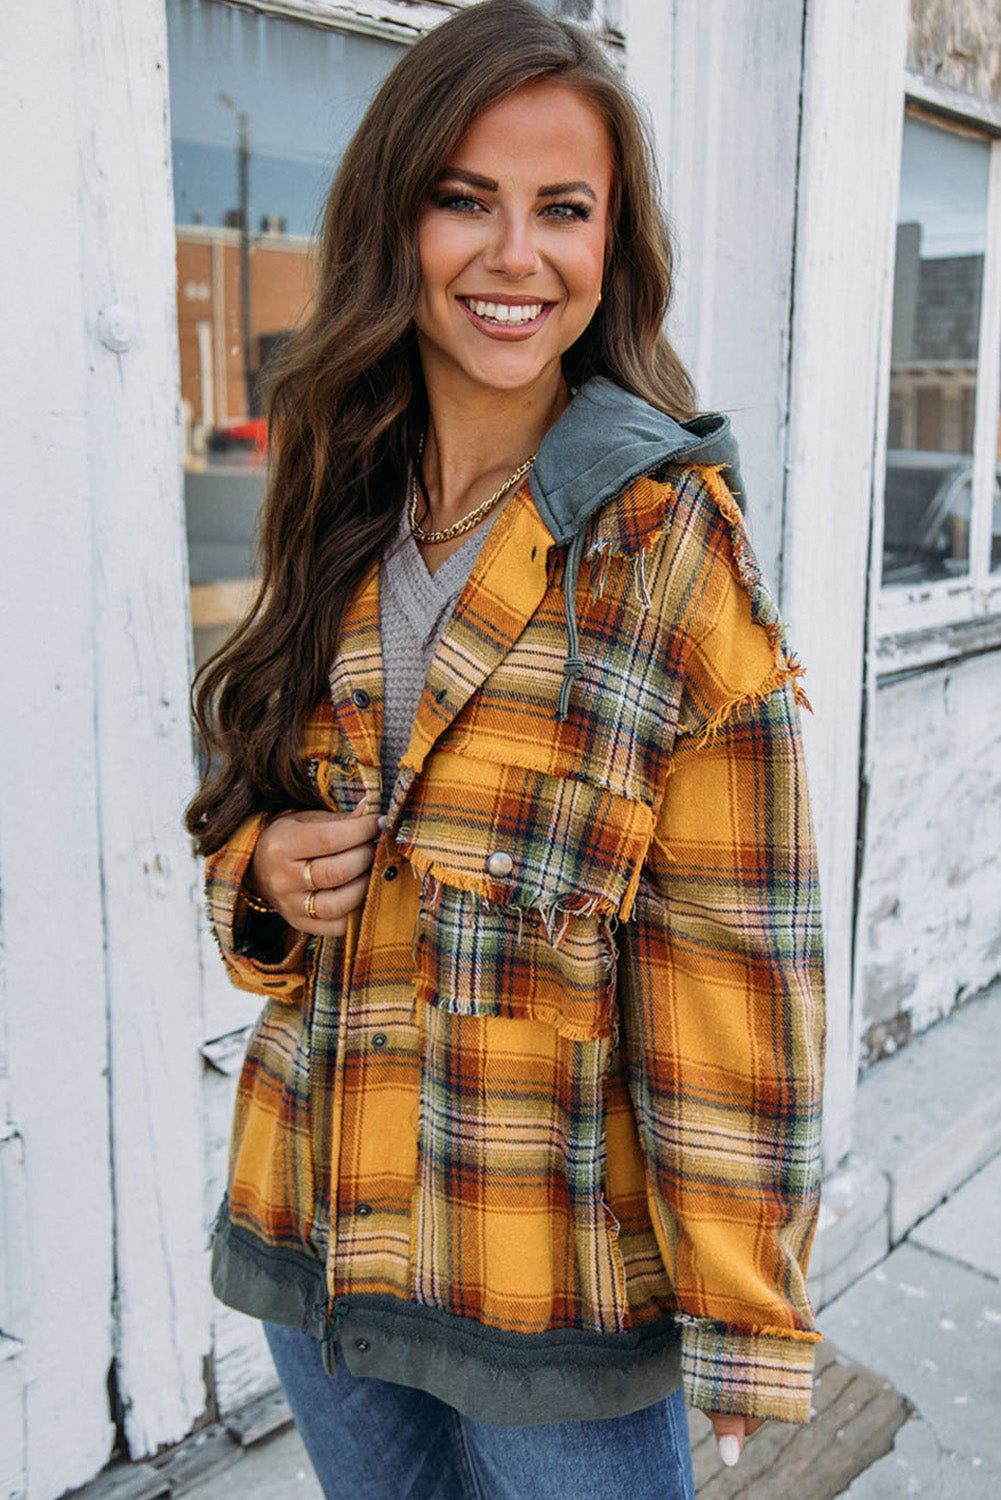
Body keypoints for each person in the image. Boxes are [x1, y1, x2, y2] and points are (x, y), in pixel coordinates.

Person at [187, 2, 826, 1495]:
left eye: (563, 209)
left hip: (546, 1288)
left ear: (614, 244)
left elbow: (737, 951)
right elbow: (247, 791)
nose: (514, 255)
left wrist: (744, 1304)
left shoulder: (666, 544)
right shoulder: (335, 490)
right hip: (317, 1226)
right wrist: (262, 870)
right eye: (465, 200)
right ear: (394, 223)